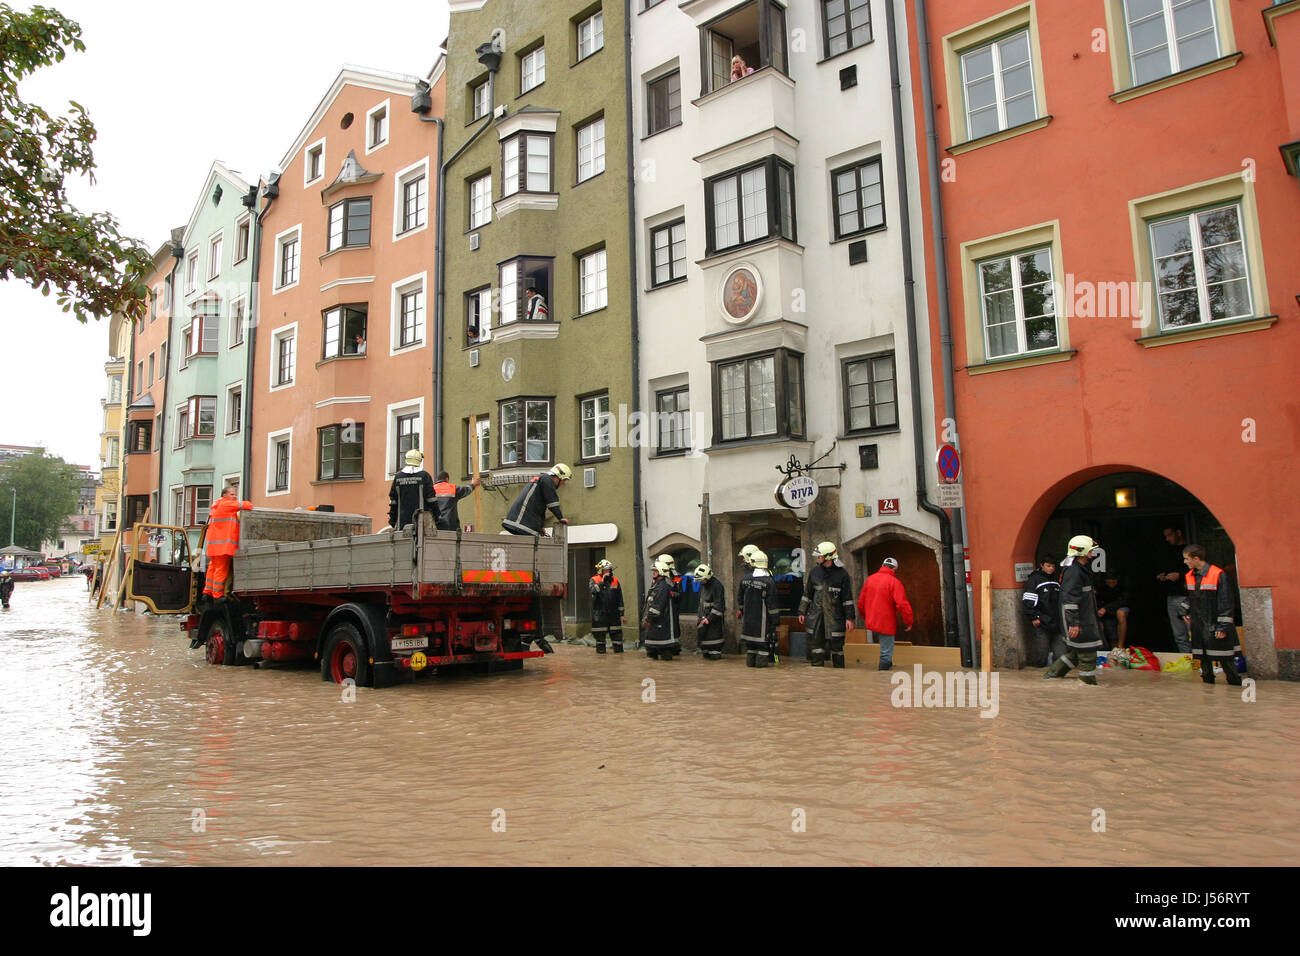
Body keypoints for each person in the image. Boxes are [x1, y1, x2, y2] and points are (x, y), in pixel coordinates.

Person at [1044, 535, 1105, 684]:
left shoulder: (1078, 569)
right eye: (1091, 550)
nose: (1093, 553)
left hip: (1084, 617)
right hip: (1080, 620)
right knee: (1087, 653)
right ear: (1082, 551)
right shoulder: (1074, 571)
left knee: (1077, 652)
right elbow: (1070, 600)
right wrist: (1074, 623)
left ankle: (1052, 676)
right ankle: (1087, 683)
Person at [1178, 544, 1242, 686]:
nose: (1185, 562)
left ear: (1196, 558)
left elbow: (1226, 602)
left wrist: (1223, 627)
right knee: (1204, 660)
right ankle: (1208, 690)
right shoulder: (1190, 576)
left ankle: (1235, 686)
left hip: (1215, 624)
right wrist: (1183, 611)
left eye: (1186, 559)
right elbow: (1191, 597)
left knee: (1226, 659)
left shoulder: (1218, 574)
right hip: (1199, 625)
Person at [799, 541, 856, 669]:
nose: (818, 558)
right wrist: (802, 611)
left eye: (820, 556)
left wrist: (849, 618)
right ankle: (818, 675)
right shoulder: (814, 572)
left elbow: (847, 599)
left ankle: (839, 675)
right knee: (816, 647)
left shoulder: (842, 574)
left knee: (837, 648)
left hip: (835, 618)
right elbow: (807, 593)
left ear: (828, 557)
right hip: (816, 617)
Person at [856, 557, 914, 671]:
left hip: (871, 621)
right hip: (886, 623)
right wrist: (909, 621)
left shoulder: (869, 580)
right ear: (894, 569)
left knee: (884, 649)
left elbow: (860, 603)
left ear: (882, 566)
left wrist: (866, 617)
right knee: (886, 654)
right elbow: (902, 604)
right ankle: (884, 680)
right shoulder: (894, 582)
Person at [202, 483, 254, 604]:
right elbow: (247, 505)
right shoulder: (227, 504)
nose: (234, 496)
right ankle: (217, 595)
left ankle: (207, 592)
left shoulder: (216, 506)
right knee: (221, 569)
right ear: (224, 495)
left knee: (212, 568)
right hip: (223, 546)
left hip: (214, 545)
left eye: (235, 494)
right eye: (232, 494)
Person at [738, 550, 780, 667]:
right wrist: (776, 621)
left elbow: (740, 599)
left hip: (748, 627)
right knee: (762, 652)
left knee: (750, 650)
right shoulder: (769, 582)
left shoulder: (745, 579)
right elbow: (772, 605)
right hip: (762, 626)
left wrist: (742, 611)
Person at [503, 464, 570, 535]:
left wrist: (540, 527)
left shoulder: (542, 479)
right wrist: (561, 518)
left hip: (519, 521)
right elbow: (552, 503)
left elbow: (539, 508)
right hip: (522, 522)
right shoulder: (547, 480)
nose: (563, 483)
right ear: (559, 476)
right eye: (564, 480)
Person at [1022, 554, 1063, 666]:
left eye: (1053, 566)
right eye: (1048, 566)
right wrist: (1034, 617)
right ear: (1042, 565)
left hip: (1058, 622)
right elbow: (1028, 601)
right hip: (1042, 621)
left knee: (1060, 655)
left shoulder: (1057, 578)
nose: (1051, 568)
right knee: (1041, 655)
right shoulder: (1034, 579)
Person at [1158, 526, 1192, 653]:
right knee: (1179, 635)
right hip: (1171, 595)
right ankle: (1187, 660)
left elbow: (1194, 572)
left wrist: (1180, 575)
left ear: (1178, 532)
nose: (1167, 539)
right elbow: (1166, 568)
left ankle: (1199, 662)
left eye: (1169, 535)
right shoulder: (1168, 552)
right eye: (1165, 536)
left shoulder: (1189, 550)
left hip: (1186, 596)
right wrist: (1163, 575)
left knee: (1192, 633)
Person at [388, 448, 437, 530]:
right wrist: (437, 516)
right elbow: (431, 499)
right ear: (419, 461)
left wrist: (393, 519)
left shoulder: (398, 477)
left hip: (402, 524)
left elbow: (393, 501)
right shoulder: (424, 476)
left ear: (406, 460)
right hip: (422, 524)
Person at [642, 558, 679, 660]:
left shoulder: (663, 586)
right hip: (655, 626)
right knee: (652, 654)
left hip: (661, 626)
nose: (653, 573)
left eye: (655, 571)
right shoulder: (656, 585)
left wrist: (648, 619)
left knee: (665, 654)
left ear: (662, 572)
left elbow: (657, 606)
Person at [589, 559, 626, 654]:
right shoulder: (594, 580)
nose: (608, 572)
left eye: (609, 570)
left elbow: (620, 599)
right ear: (601, 571)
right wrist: (602, 582)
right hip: (600, 615)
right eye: (605, 570)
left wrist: (622, 614)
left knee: (618, 641)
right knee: (600, 642)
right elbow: (593, 591)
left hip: (614, 615)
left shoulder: (615, 581)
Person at [693, 564, 726, 660]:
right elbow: (701, 602)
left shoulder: (717, 585)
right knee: (705, 653)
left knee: (714, 654)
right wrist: (699, 616)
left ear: (707, 577)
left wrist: (709, 618)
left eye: (701, 580)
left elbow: (719, 605)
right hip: (704, 622)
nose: (700, 582)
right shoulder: (704, 585)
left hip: (714, 624)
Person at [1096, 570, 1130, 653]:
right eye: (1109, 583)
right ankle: (1114, 651)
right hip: (1106, 612)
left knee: (1120, 613)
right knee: (1111, 634)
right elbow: (1098, 601)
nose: (1111, 585)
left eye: (1113, 582)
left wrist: (1106, 608)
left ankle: (1120, 646)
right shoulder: (1101, 586)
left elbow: (1124, 600)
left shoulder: (1124, 585)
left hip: (1120, 608)